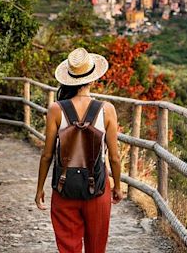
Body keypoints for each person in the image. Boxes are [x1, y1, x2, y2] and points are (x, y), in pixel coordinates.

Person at [35, 47, 124, 253]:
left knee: (68, 247)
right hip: (98, 190)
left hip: (64, 188)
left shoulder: (56, 109)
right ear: (93, 79)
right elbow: (115, 157)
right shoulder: (107, 109)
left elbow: (47, 154)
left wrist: (40, 188)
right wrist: (117, 186)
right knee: (96, 248)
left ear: (69, 78)